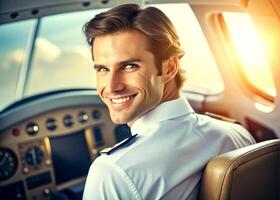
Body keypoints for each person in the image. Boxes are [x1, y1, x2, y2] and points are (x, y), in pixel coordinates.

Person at [82, 4, 255, 200]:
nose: (112, 87)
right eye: (103, 69)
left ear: (169, 68)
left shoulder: (112, 172)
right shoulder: (238, 135)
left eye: (129, 66)